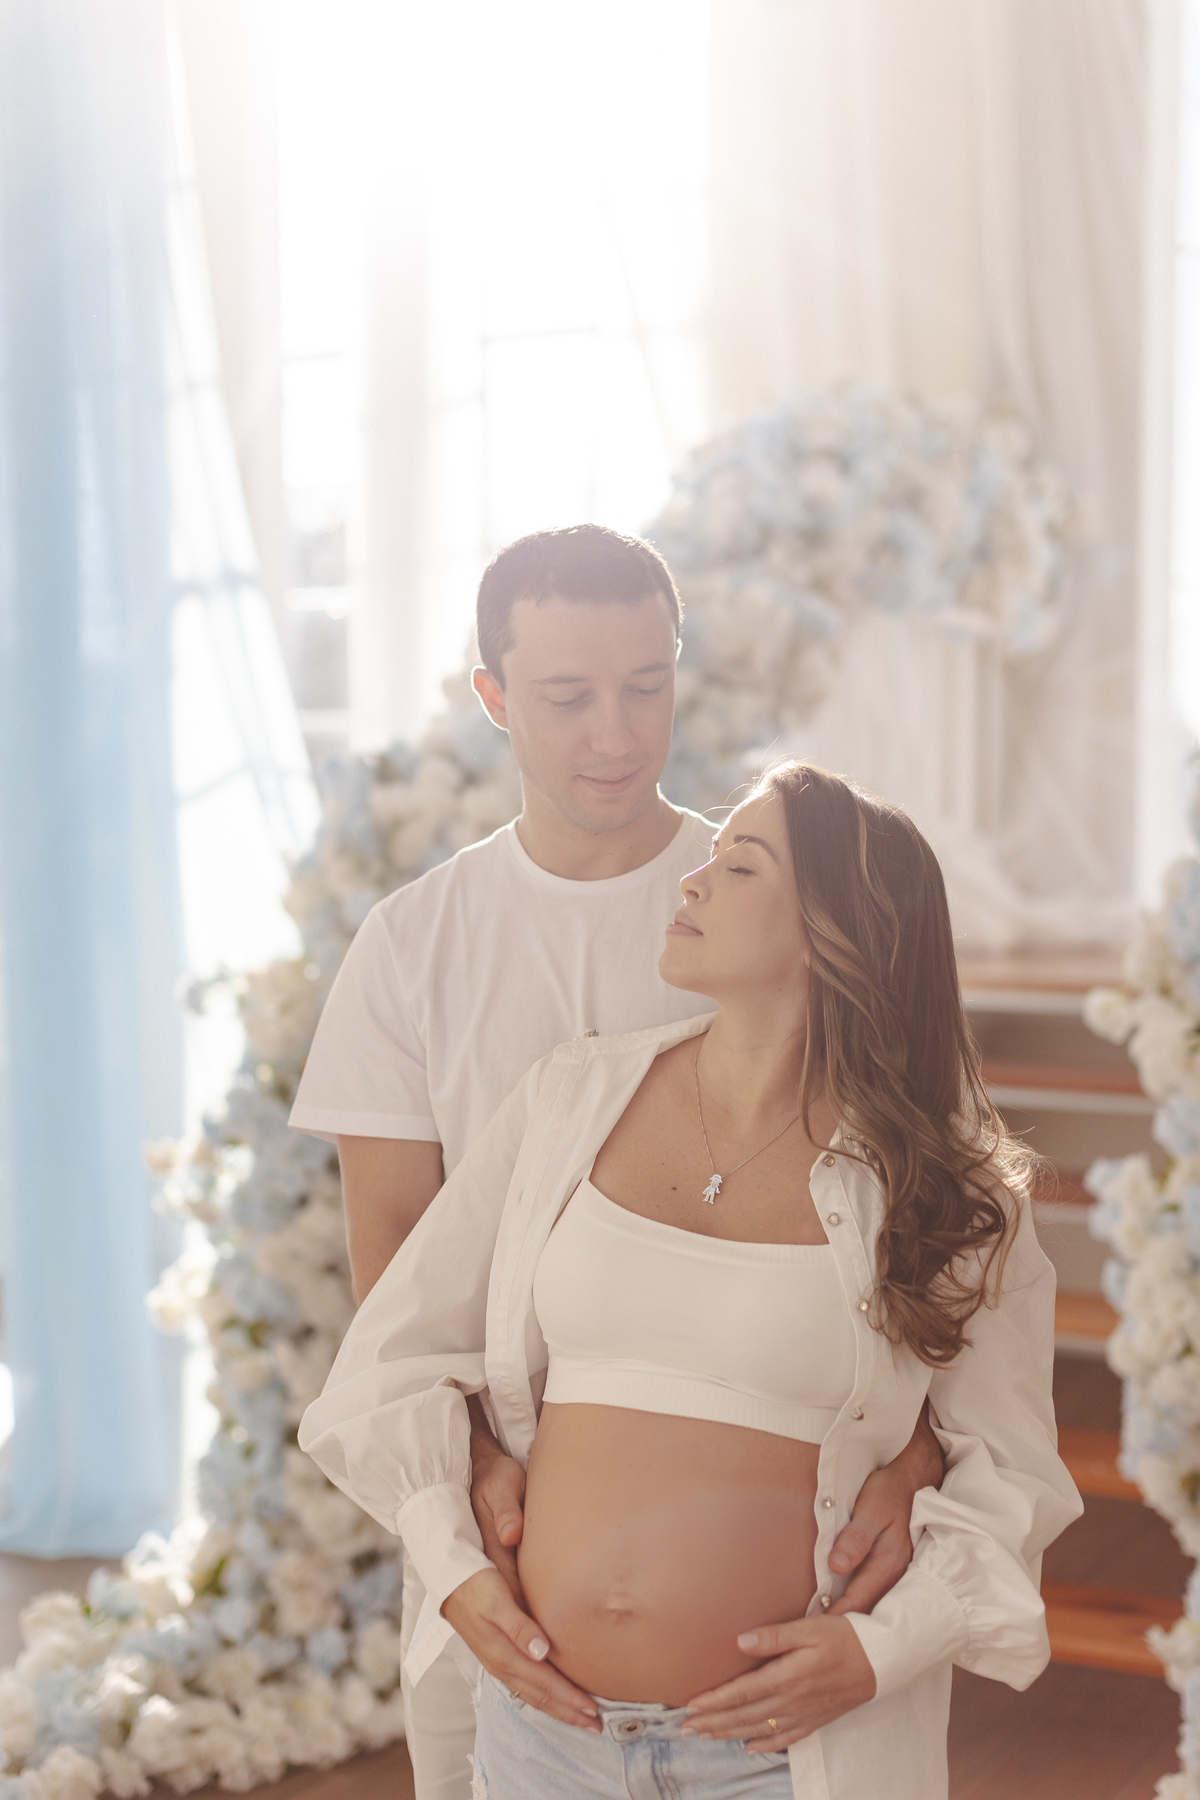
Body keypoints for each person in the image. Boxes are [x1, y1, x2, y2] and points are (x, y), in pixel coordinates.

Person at [289, 528, 945, 1799]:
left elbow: (934, 1216)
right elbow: (398, 1275)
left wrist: (917, 1455)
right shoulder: (414, 945)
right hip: (504, 1556)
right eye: (567, 697)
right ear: (494, 698)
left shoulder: (771, 897)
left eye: (648, 685)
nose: (616, 733)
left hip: (777, 1591)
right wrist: (471, 1479)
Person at [299, 760, 1082, 1800]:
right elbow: (394, 1355)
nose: (693, 880)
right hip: (542, 1738)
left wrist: (877, 1653)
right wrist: (454, 1570)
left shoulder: (943, 1186)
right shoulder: (573, 1097)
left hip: (781, 1758)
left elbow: (1014, 1471)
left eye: (740, 865)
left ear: (834, 931)